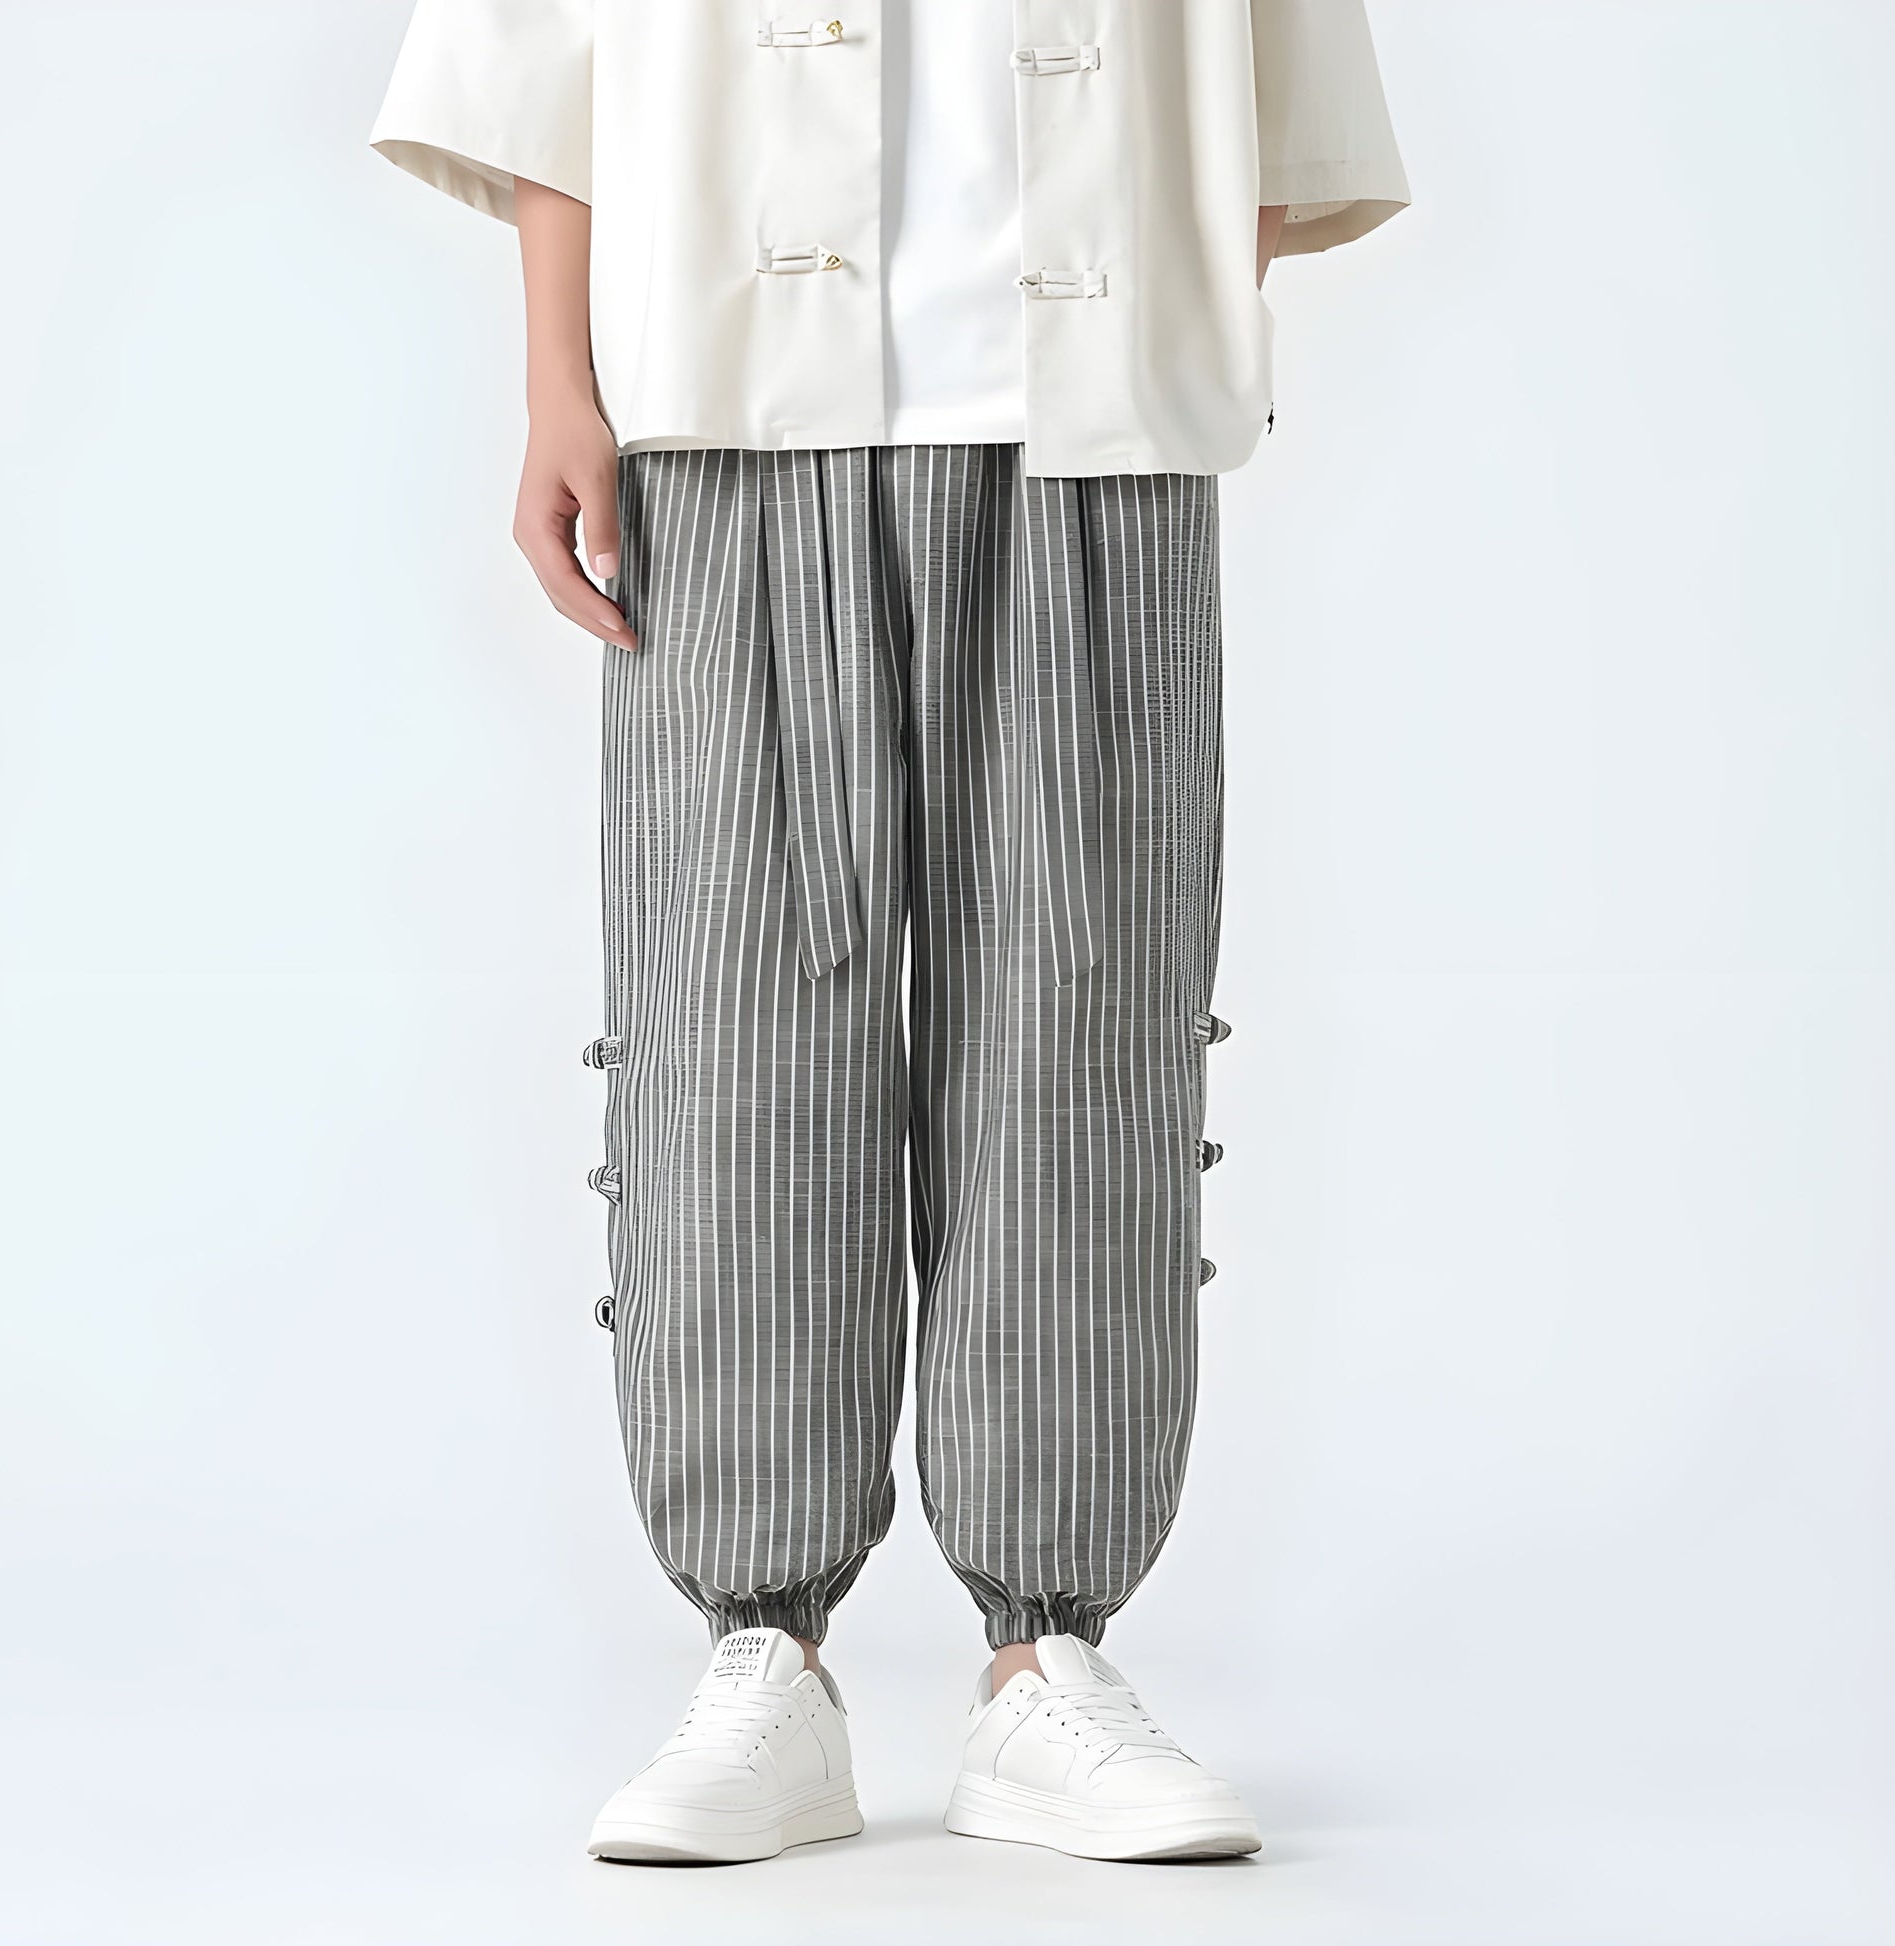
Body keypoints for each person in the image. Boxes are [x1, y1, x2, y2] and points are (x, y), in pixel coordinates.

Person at [371, 0, 1407, 1867]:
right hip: (722, 409)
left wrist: (1170, 320)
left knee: (1083, 1028)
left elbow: (1273, 82)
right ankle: (762, 1654)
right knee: (729, 1031)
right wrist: (556, 382)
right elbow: (547, 59)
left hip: (1091, 426)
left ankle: (1045, 1660)